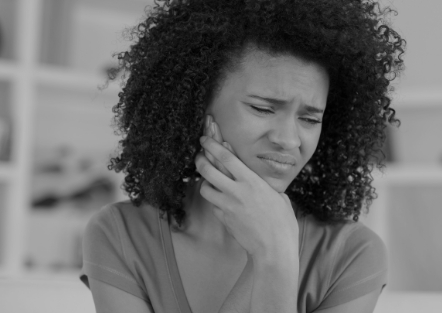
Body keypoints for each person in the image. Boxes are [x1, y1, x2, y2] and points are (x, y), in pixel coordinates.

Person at [79, 0, 405, 312]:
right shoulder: (121, 235)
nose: (288, 140)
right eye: (262, 108)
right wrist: (270, 254)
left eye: (309, 119)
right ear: (198, 105)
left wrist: (274, 257)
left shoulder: (350, 254)